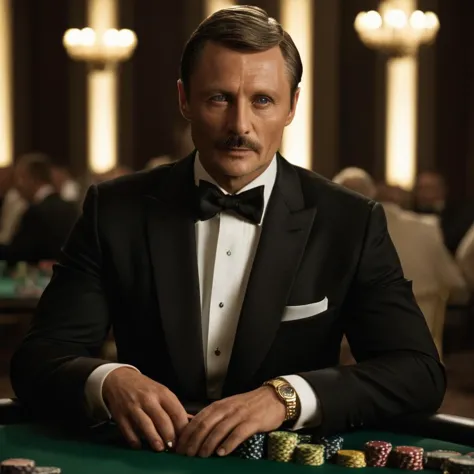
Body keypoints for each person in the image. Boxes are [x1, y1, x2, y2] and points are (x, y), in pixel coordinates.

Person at [11, 5, 445, 460]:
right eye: (219, 98)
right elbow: (38, 360)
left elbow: (418, 372)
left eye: (262, 100)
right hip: (147, 462)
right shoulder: (114, 210)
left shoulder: (350, 221)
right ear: (184, 99)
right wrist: (108, 380)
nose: (240, 126)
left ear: (292, 106)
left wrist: (285, 397)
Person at [334, 168, 469, 355]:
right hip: (420, 337)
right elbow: (455, 283)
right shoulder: (426, 228)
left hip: (356, 346)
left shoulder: (338, 234)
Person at [0, 153, 79, 264]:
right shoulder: (71, 208)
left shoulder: (35, 212)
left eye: (20, 178)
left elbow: (18, 253)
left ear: (32, 179)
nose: (17, 185)